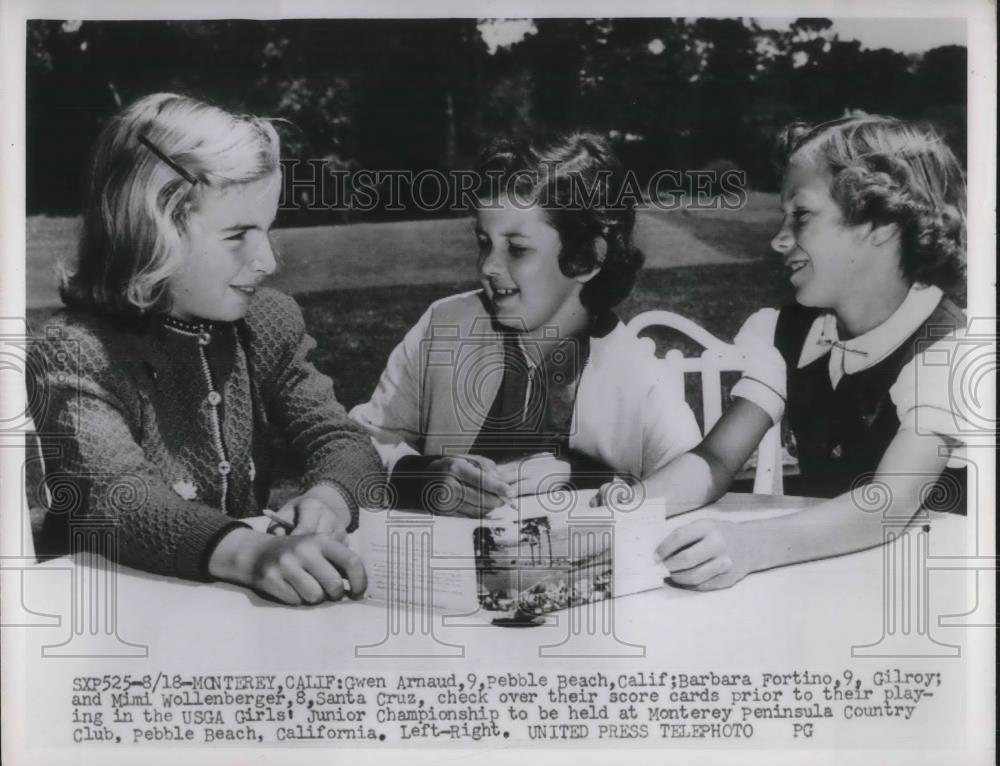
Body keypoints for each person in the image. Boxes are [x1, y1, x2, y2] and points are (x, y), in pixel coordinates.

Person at [30, 93, 382, 605]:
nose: (267, 261)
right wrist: (252, 554)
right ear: (153, 231)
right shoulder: (77, 351)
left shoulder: (267, 323)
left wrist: (330, 498)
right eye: (239, 234)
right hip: (113, 612)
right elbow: (117, 497)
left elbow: (344, 441)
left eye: (267, 230)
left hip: (225, 611)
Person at [632, 114, 971, 590]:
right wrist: (622, 511)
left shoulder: (949, 352)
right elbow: (716, 461)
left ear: (880, 224)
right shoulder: (789, 333)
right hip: (821, 578)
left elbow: (887, 505)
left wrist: (751, 545)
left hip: (921, 590)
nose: (779, 238)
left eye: (802, 215)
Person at [350, 133, 701, 517]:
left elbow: (692, 479)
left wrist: (586, 482)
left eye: (516, 248)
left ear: (586, 258)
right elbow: (353, 449)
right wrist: (421, 478)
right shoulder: (447, 326)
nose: (487, 266)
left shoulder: (636, 374)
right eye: (484, 242)